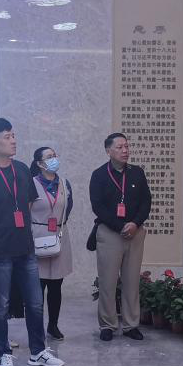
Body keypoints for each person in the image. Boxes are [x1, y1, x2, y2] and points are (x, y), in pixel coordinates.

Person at [0, 118, 64, 366]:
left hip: (25, 248)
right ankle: (3, 354)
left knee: (35, 302)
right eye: (7, 137)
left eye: (13, 136)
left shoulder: (21, 170)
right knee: (0, 305)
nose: (13, 141)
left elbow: (27, 204)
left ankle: (38, 352)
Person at [89, 132, 151, 341]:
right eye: (120, 147)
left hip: (135, 233)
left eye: (126, 146)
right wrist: (120, 226)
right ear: (108, 151)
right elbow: (97, 206)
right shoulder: (99, 175)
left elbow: (146, 201)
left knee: (132, 281)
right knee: (107, 282)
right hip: (110, 233)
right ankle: (107, 325)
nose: (125, 151)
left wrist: (135, 223)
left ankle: (131, 325)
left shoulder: (137, 173)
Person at [29, 146, 74, 340]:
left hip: (59, 236)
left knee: (56, 285)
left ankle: (53, 325)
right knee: (38, 287)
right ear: (40, 163)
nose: (54, 159)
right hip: (37, 236)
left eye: (55, 155)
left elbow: (68, 208)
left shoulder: (64, 183)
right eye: (49, 157)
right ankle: (36, 327)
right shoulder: (31, 183)